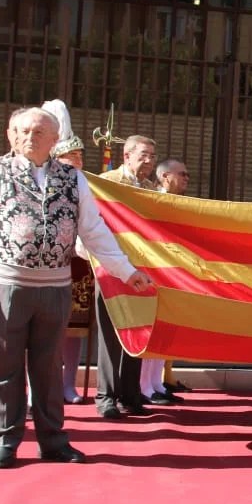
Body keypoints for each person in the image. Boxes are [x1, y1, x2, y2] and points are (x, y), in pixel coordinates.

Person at [0, 107, 153, 469]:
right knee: (3, 363)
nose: (28, 138)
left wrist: (127, 272)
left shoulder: (72, 178)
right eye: (21, 131)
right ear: (9, 134)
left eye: (38, 132)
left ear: (54, 140)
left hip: (55, 287)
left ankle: (52, 440)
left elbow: (94, 231)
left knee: (49, 366)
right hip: (6, 285)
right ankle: (4, 440)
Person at [93, 134, 160, 419]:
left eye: (152, 156)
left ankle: (130, 394)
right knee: (111, 333)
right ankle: (106, 396)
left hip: (140, 270)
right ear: (127, 156)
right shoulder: (106, 183)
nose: (148, 161)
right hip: (111, 267)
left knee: (138, 329)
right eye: (143, 155)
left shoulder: (150, 189)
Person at [42, 99, 93, 405]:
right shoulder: (45, 184)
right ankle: (45, 385)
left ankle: (68, 383)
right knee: (48, 331)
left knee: (74, 330)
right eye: (69, 156)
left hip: (80, 265)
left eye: (79, 156)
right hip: (50, 265)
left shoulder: (87, 186)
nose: (75, 161)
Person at [139, 157, 190, 405]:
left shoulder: (179, 202)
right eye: (182, 174)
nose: (186, 179)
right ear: (165, 177)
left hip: (173, 271)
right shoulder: (152, 199)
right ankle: (144, 386)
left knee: (165, 328)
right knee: (152, 327)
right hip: (154, 269)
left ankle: (156, 382)